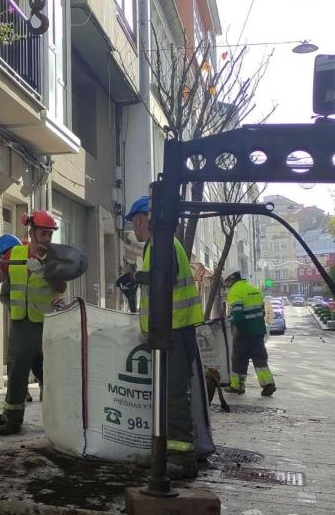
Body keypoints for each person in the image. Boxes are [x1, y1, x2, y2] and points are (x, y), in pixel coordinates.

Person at [126, 195, 203, 479]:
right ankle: (163, 453)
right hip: (167, 329)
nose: (135, 227)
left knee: (172, 392)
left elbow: (163, 278)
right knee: (163, 393)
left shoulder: (161, 243)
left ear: (143, 219)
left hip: (176, 328)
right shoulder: (156, 245)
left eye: (135, 221)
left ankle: (183, 458)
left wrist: (137, 278)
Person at [0, 211, 65, 436]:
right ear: (31, 232)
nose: (47, 239)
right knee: (17, 371)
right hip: (22, 324)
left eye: (50, 234)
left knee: (50, 375)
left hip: (45, 324)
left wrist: (44, 272)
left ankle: (61, 418)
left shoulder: (53, 258)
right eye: (44, 233)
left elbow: (60, 286)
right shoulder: (16, 253)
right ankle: (11, 417)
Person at [224, 270, 276, 396]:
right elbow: (262, 312)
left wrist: (236, 328)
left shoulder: (235, 292)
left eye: (226, 281)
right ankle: (268, 384)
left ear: (231, 279)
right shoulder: (255, 290)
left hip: (243, 332)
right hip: (258, 331)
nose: (225, 284)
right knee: (260, 359)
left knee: (239, 359)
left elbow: (238, 314)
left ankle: (238, 386)